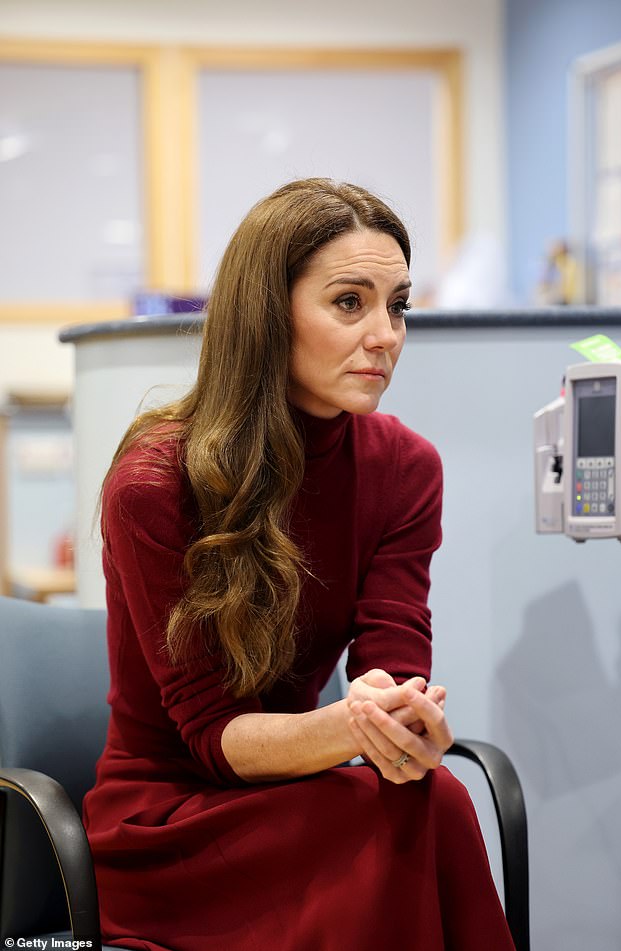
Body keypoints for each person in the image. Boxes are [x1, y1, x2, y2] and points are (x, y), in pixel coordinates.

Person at [84, 178, 515, 951]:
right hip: (172, 821)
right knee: (413, 813)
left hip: (300, 791)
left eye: (398, 304)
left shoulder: (406, 467)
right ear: (267, 313)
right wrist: (354, 724)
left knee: (429, 796)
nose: (385, 335)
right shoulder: (153, 483)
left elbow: (392, 652)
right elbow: (211, 737)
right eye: (350, 302)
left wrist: (398, 713)